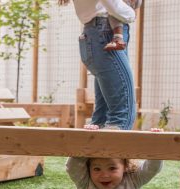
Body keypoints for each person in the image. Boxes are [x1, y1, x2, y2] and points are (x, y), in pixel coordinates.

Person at [58, 0, 137, 130]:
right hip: (104, 34)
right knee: (120, 117)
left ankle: (96, 148)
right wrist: (131, 13)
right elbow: (114, 6)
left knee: (100, 120)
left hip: (94, 33)